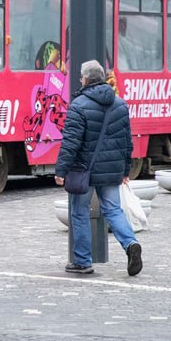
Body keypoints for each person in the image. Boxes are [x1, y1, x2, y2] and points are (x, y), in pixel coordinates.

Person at [54, 59, 143, 277]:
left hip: (84, 169)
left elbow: (71, 142)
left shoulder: (78, 106)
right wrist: (124, 170)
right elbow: (126, 142)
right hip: (111, 170)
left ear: (85, 79)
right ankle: (130, 243)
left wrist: (61, 170)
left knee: (79, 212)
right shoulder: (120, 105)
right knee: (113, 210)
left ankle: (83, 262)